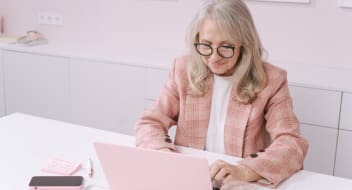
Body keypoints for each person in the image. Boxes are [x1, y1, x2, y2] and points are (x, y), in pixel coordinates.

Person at [134, 0, 308, 188]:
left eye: (226, 47)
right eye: (206, 45)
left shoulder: (272, 80)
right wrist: (165, 155)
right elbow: (150, 123)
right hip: (192, 180)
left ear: (244, 44)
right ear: (197, 39)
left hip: (238, 184)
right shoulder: (183, 69)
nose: (214, 57)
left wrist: (245, 171)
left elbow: (292, 144)